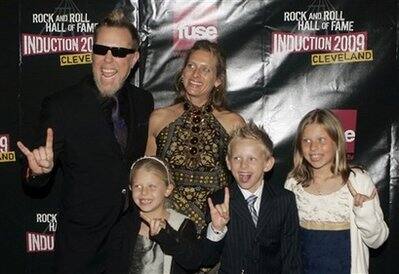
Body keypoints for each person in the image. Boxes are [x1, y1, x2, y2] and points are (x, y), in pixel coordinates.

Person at [17, 9, 154, 274]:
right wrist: (38, 171)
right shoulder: (61, 106)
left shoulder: (143, 101)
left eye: (119, 52)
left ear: (134, 58)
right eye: (101, 49)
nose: (108, 61)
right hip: (81, 248)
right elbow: (35, 173)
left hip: (129, 245)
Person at [146, 40, 245, 232]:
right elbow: (147, 176)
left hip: (216, 229)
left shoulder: (233, 123)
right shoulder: (158, 119)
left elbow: (244, 181)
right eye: (191, 66)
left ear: (218, 80)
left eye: (205, 70)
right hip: (166, 230)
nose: (195, 74)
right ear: (182, 72)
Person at [284, 108, 389, 274]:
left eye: (321, 140)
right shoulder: (292, 184)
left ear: (336, 142)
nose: (313, 147)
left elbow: (378, 241)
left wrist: (365, 211)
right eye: (306, 141)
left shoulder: (358, 181)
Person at [204, 122, 302, 273]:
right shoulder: (218, 201)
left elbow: (291, 256)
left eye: (252, 159)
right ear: (228, 163)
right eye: (237, 158)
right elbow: (208, 258)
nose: (243, 166)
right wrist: (217, 229)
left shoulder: (284, 200)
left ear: (268, 164)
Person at [116, 156, 224, 274]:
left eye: (152, 186)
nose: (144, 192)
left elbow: (194, 261)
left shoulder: (182, 224)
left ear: (168, 189)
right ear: (130, 188)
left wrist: (166, 235)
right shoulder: (124, 223)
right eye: (138, 186)